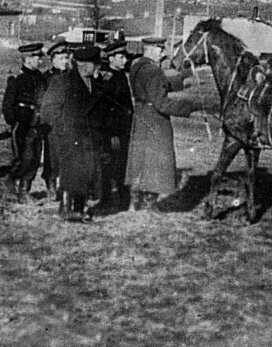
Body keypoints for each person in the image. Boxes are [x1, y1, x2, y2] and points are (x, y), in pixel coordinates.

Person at [124, 36, 199, 211]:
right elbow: (162, 102)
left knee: (141, 161)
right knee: (158, 161)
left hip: (141, 117)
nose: (163, 53)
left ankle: (137, 201)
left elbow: (153, 89)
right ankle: (150, 204)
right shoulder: (154, 71)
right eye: (161, 50)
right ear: (152, 50)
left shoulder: (137, 67)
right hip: (155, 121)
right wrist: (188, 108)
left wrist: (176, 80)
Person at [44, 44, 106, 222]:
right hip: (70, 138)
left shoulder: (94, 82)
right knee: (71, 173)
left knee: (85, 172)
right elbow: (48, 111)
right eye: (97, 64)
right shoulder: (63, 82)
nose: (98, 68)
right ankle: (66, 209)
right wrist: (64, 132)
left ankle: (79, 208)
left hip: (89, 138)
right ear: (86, 65)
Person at [1, 41, 47, 203]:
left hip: (37, 123)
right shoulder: (17, 78)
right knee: (23, 157)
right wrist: (14, 121)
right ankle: (11, 180)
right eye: (36, 58)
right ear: (27, 59)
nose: (40, 61)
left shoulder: (40, 77)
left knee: (34, 158)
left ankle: (24, 191)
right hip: (22, 124)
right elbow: (8, 103)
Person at [96, 40, 134, 213]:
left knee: (122, 166)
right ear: (111, 59)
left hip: (124, 130)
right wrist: (111, 135)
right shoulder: (108, 79)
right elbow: (104, 110)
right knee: (108, 166)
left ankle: (123, 201)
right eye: (121, 56)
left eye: (125, 56)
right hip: (112, 133)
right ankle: (105, 201)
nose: (124, 60)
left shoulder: (121, 76)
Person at [41, 37, 70, 199]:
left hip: (69, 123)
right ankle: (50, 182)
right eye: (60, 58)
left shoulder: (72, 77)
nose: (64, 62)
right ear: (52, 60)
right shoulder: (46, 78)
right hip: (52, 124)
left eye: (66, 58)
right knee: (51, 155)